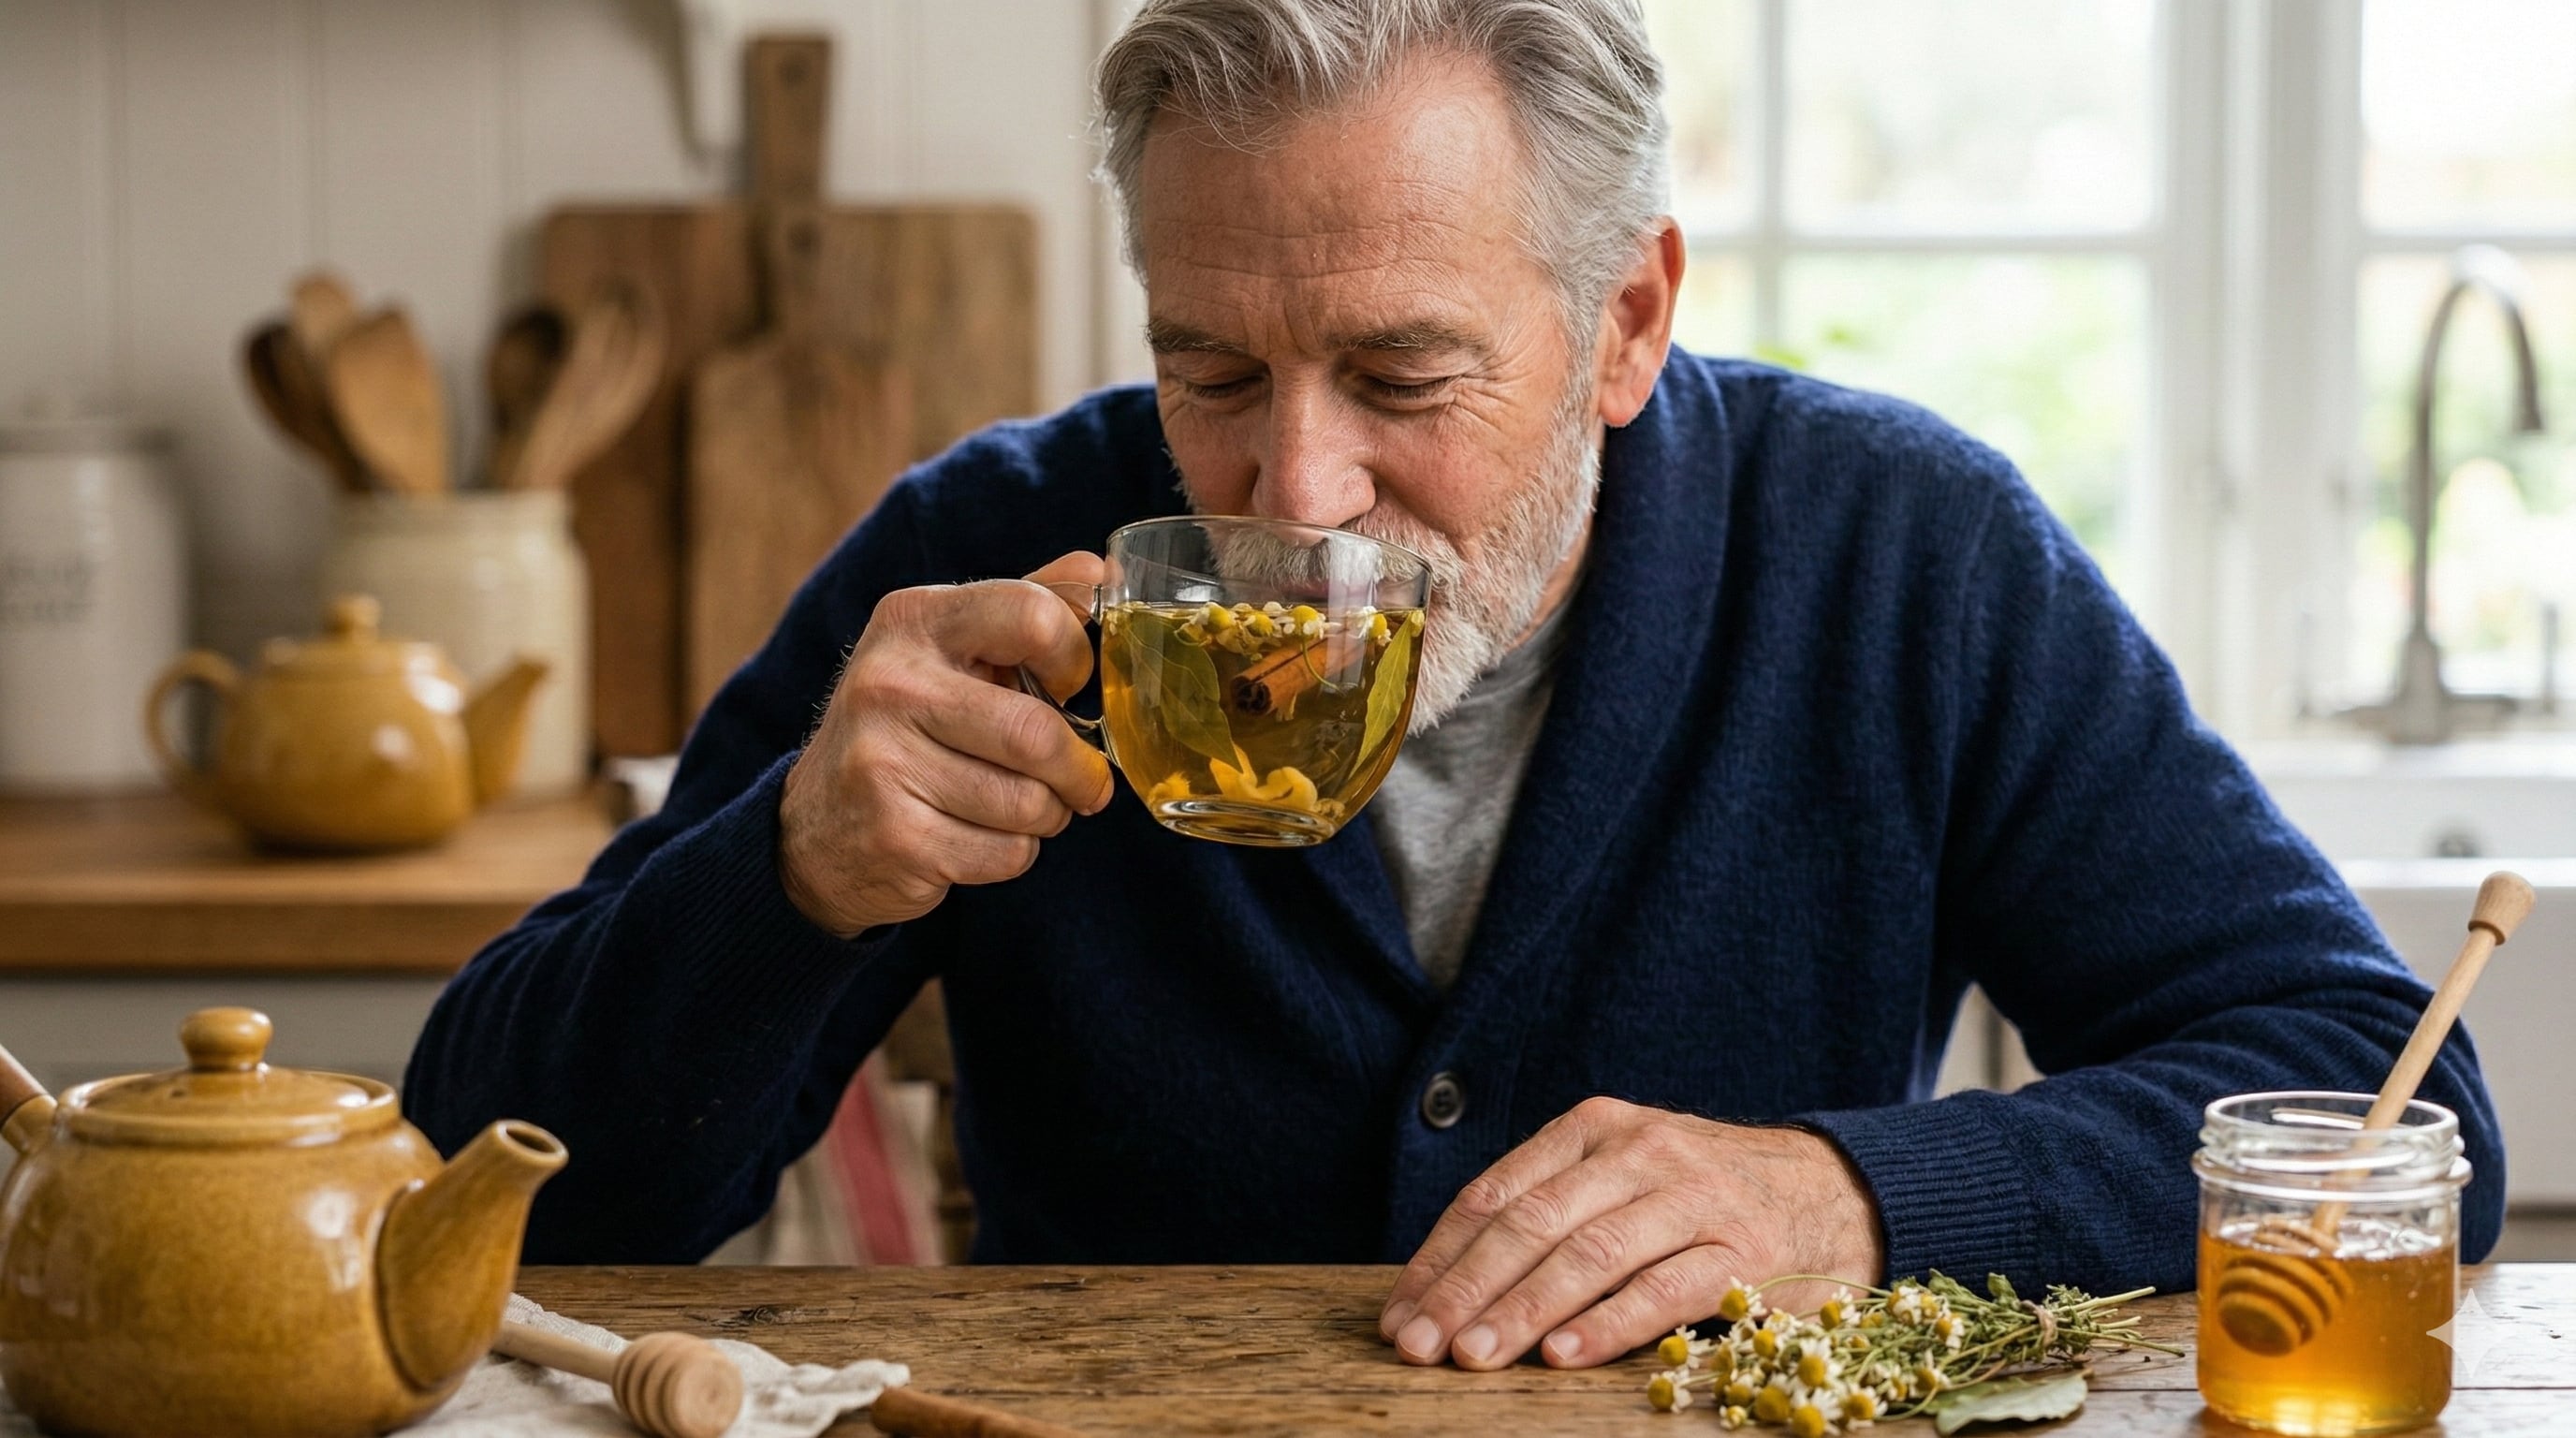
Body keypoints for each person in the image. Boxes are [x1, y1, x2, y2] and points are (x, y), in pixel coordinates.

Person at [405, 0, 2503, 1373]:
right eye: (1208, 371)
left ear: (1623, 321)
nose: (1293, 489)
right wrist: (777, 880)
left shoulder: (1903, 555)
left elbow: (2380, 1086)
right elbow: (470, 1187)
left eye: (1401, 376)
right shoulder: (984, 545)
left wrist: (1852, 1194)